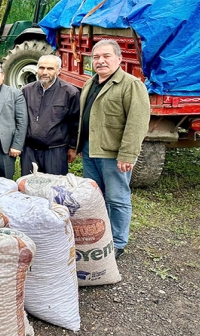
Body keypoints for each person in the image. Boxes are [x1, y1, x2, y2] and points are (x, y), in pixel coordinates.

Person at [76, 39, 151, 260]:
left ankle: (118, 242)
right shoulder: (91, 83)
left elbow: (137, 123)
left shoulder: (131, 85)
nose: (100, 61)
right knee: (96, 197)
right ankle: (102, 234)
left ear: (119, 58)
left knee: (117, 199)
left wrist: (128, 154)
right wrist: (81, 146)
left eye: (106, 56)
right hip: (91, 150)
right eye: (96, 57)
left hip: (113, 154)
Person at [20, 55, 80, 175]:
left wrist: (73, 147)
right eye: (41, 68)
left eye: (50, 68)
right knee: (28, 187)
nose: (45, 72)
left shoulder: (70, 92)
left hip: (55, 151)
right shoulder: (26, 91)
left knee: (54, 189)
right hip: (29, 151)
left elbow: (75, 122)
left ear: (59, 71)